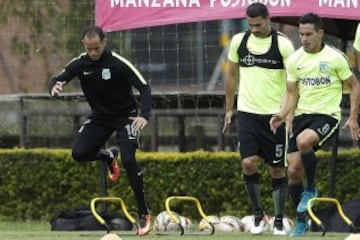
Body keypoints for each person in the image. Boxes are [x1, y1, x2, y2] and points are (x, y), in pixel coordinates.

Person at [49, 25, 152, 236]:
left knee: (130, 160)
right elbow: (58, 78)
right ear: (84, 45)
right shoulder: (80, 63)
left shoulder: (119, 63)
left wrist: (144, 115)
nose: (93, 53)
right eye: (89, 49)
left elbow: (144, 87)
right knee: (79, 153)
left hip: (126, 117)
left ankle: (144, 213)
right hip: (100, 118)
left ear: (104, 42)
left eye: (96, 48)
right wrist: (55, 86)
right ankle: (108, 156)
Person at [270, 13, 360, 237]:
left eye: (309, 34)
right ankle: (302, 222)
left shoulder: (335, 58)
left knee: (303, 142)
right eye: (301, 34)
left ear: (320, 33)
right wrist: (282, 114)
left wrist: (353, 116)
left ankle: (311, 188)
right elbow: (291, 94)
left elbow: (354, 85)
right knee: (292, 170)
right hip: (302, 116)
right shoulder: (295, 60)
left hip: (327, 116)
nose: (304, 38)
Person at [222, 2, 295, 235]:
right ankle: (257, 216)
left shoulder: (283, 44)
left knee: (277, 170)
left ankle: (279, 220)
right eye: (250, 24)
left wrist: (286, 113)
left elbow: (293, 85)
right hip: (247, 113)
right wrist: (229, 109)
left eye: (258, 24)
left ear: (268, 19)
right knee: (248, 163)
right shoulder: (238, 42)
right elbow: (231, 75)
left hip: (275, 116)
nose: (253, 29)